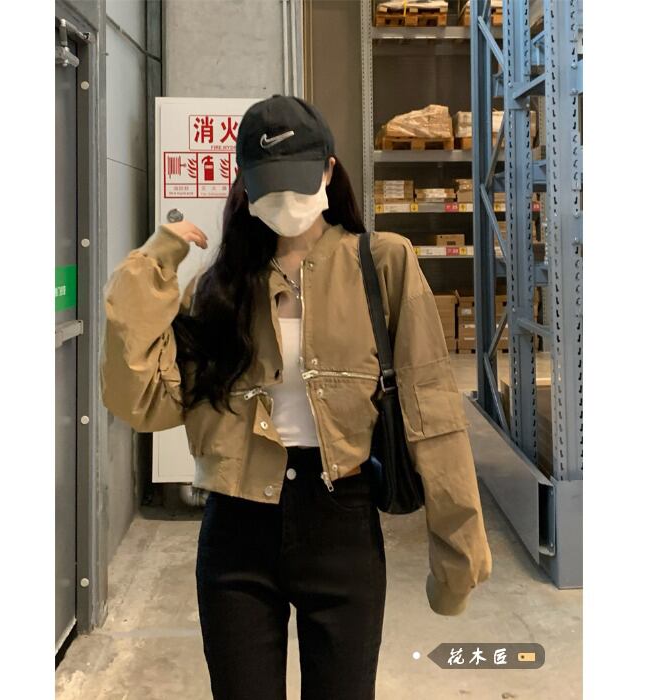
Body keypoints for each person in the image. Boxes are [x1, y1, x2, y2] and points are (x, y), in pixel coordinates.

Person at [100, 94, 492, 700]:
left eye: (298, 178)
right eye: (269, 183)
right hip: (236, 530)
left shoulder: (382, 263)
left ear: (329, 171)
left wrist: (458, 550)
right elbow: (142, 401)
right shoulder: (219, 288)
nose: (284, 197)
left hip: (341, 522)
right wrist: (153, 265)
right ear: (245, 184)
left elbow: (432, 410)